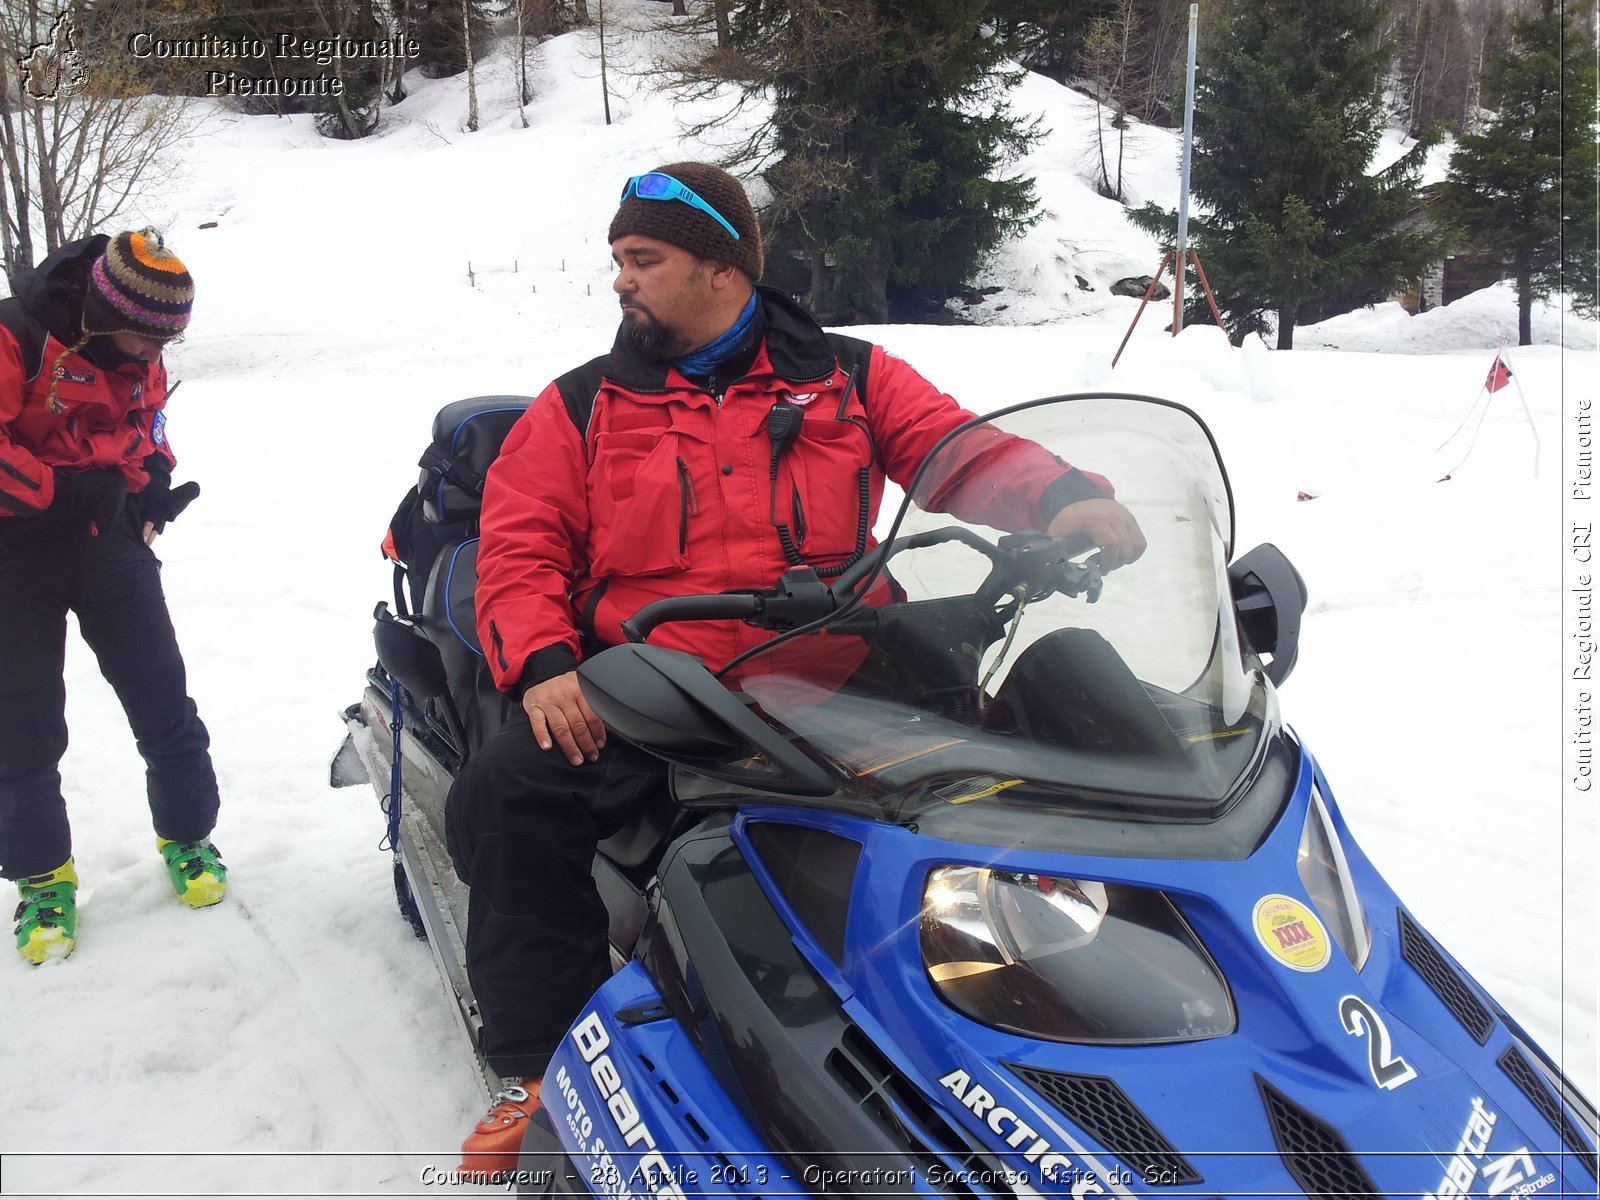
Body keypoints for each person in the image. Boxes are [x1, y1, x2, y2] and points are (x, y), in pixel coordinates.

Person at [444, 163, 1146, 1179]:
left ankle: (1038, 998)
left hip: (834, 675)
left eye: (642, 259)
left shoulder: (849, 378)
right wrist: (547, 665)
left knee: (1017, 761)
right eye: (618, 261)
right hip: (658, 685)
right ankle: (533, 1068)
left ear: (721, 268)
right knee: (512, 794)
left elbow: (955, 449)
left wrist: (1063, 498)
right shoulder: (583, 405)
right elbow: (519, 548)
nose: (620, 282)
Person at [0, 229, 227, 966]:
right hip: (15, 547)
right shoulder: (15, 333)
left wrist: (151, 483)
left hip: (106, 536)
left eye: (166, 343)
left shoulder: (146, 350)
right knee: (21, 721)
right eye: (143, 340)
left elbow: (146, 426)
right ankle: (42, 876)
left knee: (163, 695)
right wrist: (53, 492)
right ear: (101, 309)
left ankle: (188, 836)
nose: (152, 357)